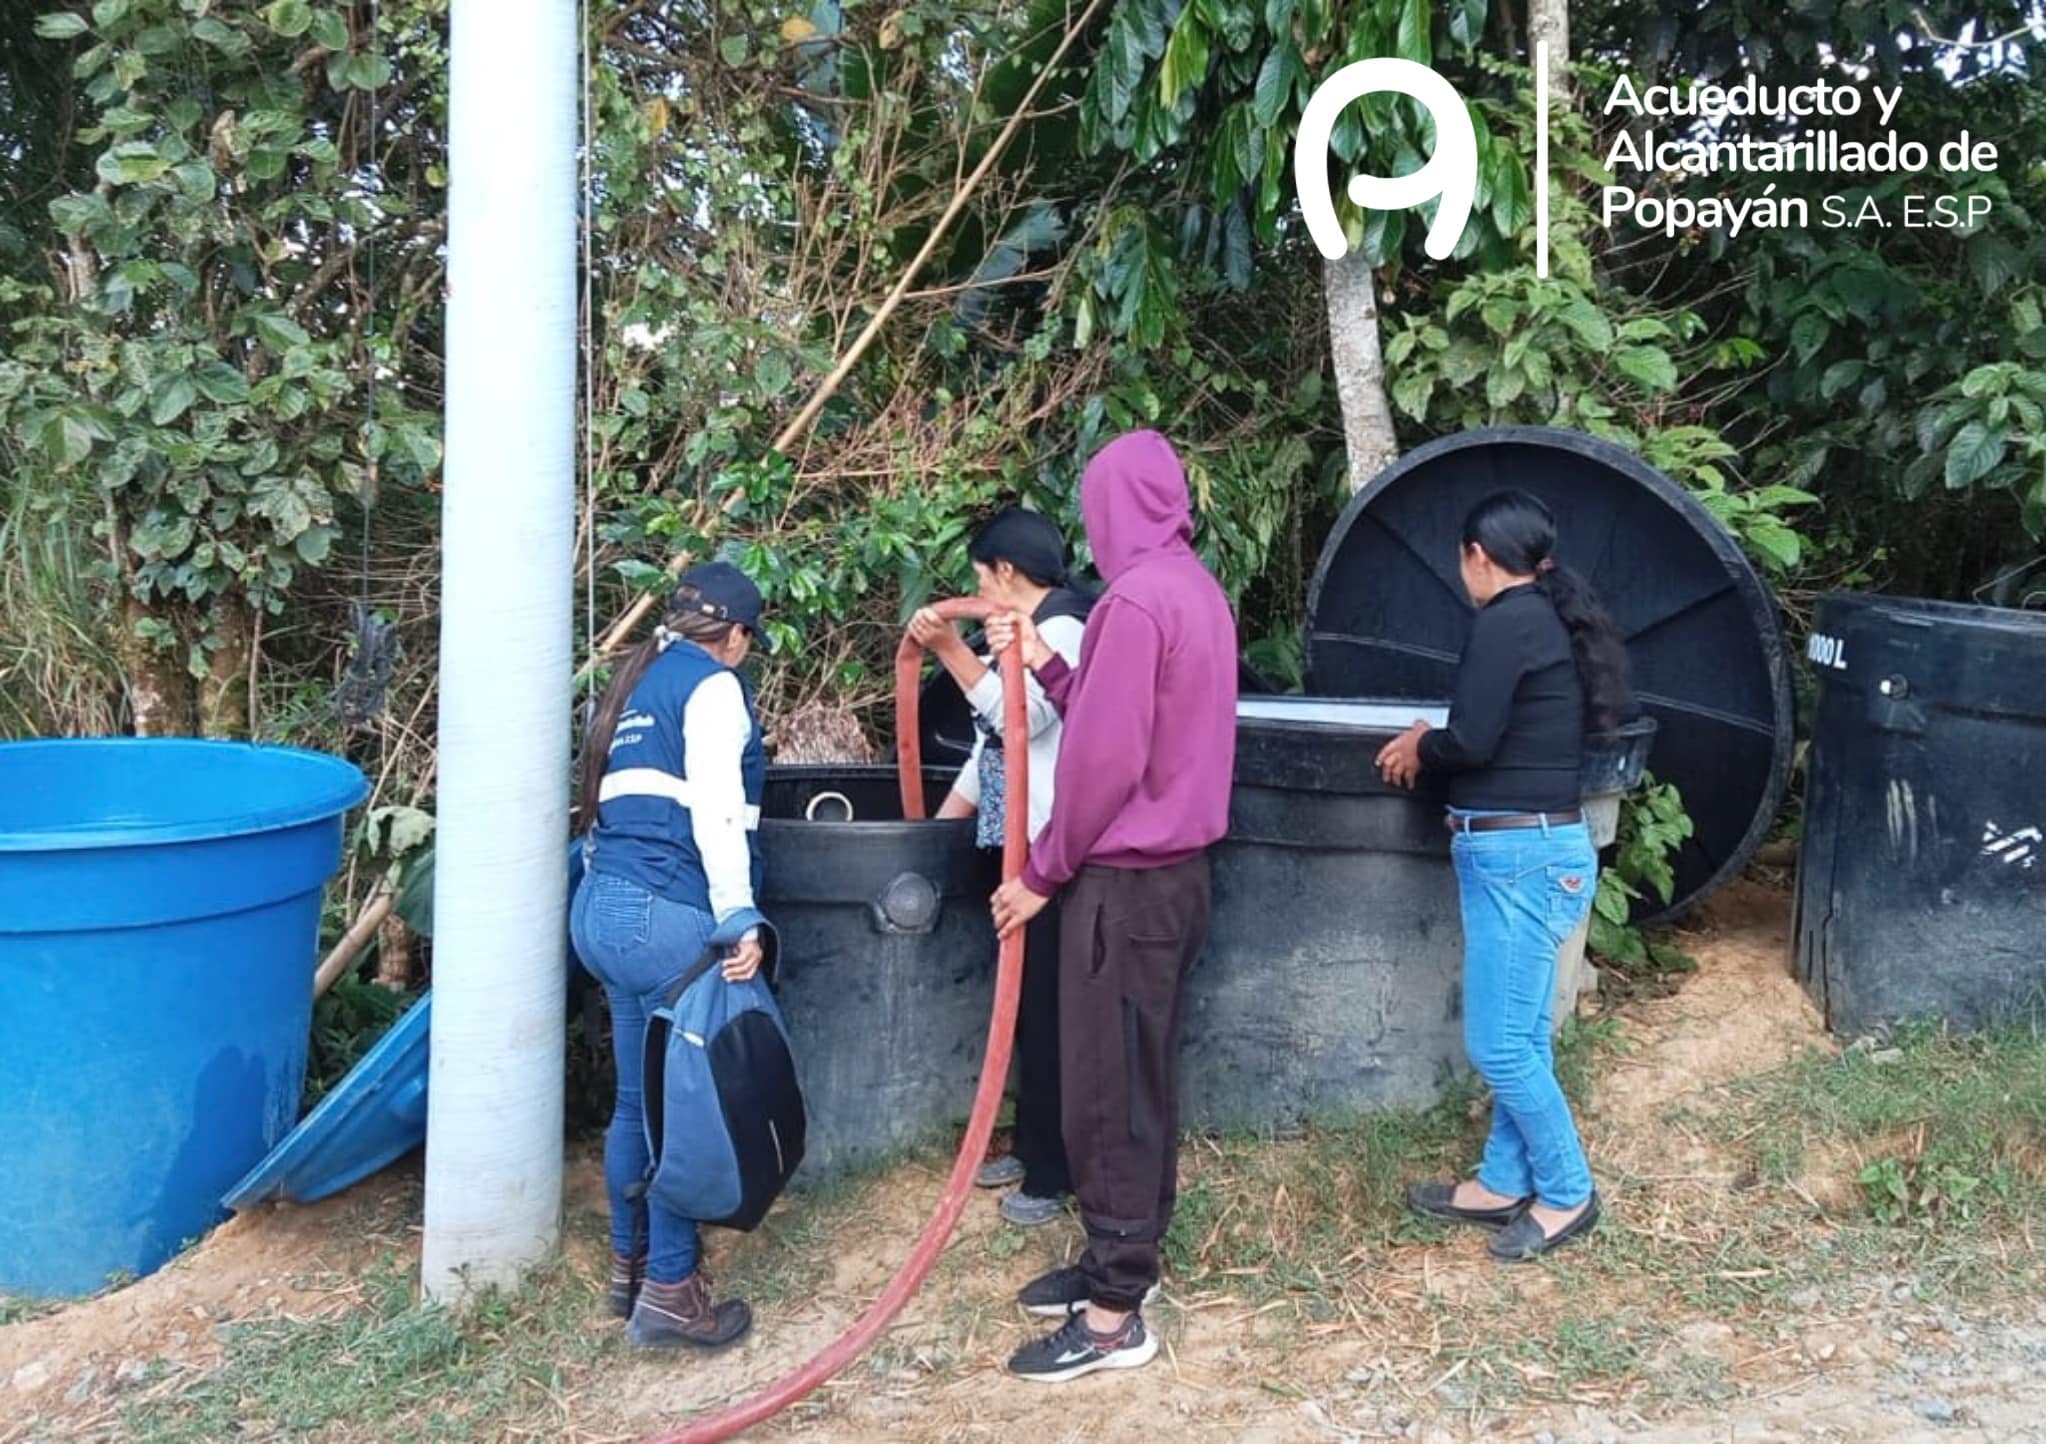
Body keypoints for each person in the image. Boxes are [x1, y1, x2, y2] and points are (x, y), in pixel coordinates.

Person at [985, 430, 1239, 1383]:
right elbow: (1113, 709)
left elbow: (1099, 761)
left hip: (1124, 887)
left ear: (1111, 507)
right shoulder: (1190, 589)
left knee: (1105, 1092)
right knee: (1139, 1077)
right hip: (1176, 882)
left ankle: (1111, 1316)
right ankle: (1119, 1259)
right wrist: (1041, 666)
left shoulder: (1132, 600)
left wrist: (1042, 873)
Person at [1373, 489, 1633, 1263]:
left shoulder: (1505, 623)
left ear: (1477, 557)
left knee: (1500, 1046)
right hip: (1530, 850)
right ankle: (1499, 1182)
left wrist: (1424, 744)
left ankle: (1566, 1191)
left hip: (1521, 858)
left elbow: (1474, 740)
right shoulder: (1545, 619)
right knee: (1520, 1036)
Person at [570, 561, 770, 1350]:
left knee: (635, 1103)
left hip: (602, 911)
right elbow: (719, 813)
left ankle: (631, 1268)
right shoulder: (712, 686)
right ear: (738, 636)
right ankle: (672, 1293)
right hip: (665, 916)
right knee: (682, 1111)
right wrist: (739, 919)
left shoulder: (636, 682)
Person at [909, 508, 1094, 1229]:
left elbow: (1025, 719)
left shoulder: (1068, 628)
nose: (978, 586)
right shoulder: (1026, 630)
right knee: (1026, 1005)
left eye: (980, 574)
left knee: (1049, 1009)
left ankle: (1054, 1172)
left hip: (1055, 850)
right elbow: (993, 744)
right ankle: (1034, 1142)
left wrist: (952, 650)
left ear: (1005, 574)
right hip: (1023, 842)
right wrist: (941, 823)